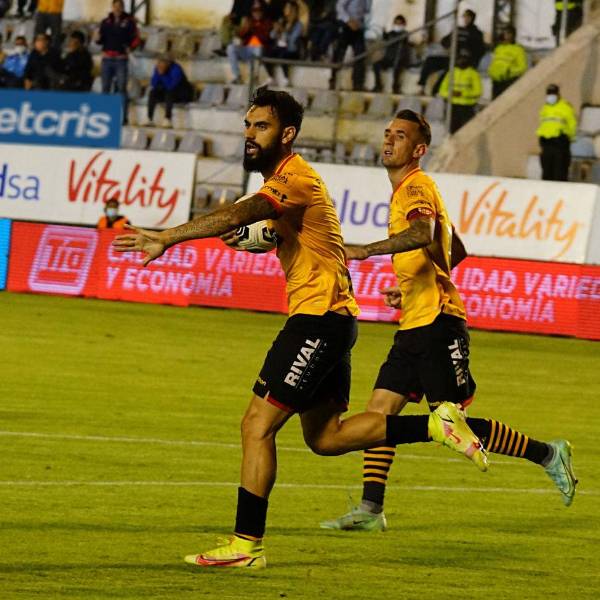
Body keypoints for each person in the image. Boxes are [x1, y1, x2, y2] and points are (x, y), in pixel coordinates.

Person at [112, 88, 492, 569]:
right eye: (248, 125)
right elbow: (263, 225)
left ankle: (246, 545)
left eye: (262, 127)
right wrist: (252, 237)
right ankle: (434, 426)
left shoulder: (295, 177)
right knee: (326, 438)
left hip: (318, 319)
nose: (250, 135)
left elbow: (243, 212)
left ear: (286, 133)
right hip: (334, 320)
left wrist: (170, 236)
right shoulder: (284, 184)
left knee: (256, 426)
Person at [320, 109, 578, 533]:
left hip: (439, 323)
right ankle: (370, 508)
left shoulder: (416, 186)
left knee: (449, 422)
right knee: (380, 415)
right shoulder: (410, 189)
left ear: (419, 149)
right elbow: (454, 247)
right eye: (387, 133)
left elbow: (423, 233)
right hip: (414, 322)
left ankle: (548, 454)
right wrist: (410, 286)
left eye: (400, 136)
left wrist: (367, 250)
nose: (389, 140)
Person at [418, 9, 485, 95]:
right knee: (430, 61)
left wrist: (469, 59)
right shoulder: (459, 30)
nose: (465, 19)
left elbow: (480, 50)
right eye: (464, 17)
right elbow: (444, 41)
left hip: (464, 62)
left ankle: (436, 92)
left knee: (448, 70)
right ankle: (421, 88)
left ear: (472, 18)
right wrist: (450, 45)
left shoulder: (476, 33)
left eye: (468, 17)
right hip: (452, 58)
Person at [97, 0, 140, 124]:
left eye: (119, 6)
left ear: (123, 7)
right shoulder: (106, 22)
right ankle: (103, 116)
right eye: (115, 6)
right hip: (107, 58)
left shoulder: (130, 22)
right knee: (105, 88)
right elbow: (100, 40)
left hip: (121, 59)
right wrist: (97, 39)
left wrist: (130, 48)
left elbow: (136, 39)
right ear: (112, 7)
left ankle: (123, 117)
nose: (117, 9)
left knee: (121, 88)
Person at [536, 83, 577, 181]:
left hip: (560, 142)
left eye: (553, 93)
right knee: (546, 172)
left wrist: (571, 137)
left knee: (560, 171)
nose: (551, 96)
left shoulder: (565, 106)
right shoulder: (545, 108)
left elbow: (572, 123)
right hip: (546, 142)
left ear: (558, 94)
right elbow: (542, 123)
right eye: (549, 94)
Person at [226, 1, 272, 84]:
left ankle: (254, 77)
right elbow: (240, 36)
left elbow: (266, 38)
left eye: (259, 10)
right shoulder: (249, 21)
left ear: (263, 11)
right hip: (247, 49)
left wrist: (253, 29)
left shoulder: (267, 22)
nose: (256, 13)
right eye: (254, 10)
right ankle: (237, 76)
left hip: (260, 50)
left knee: (258, 48)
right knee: (231, 48)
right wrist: (244, 28)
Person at [438, 48, 482, 133]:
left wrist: (462, 94)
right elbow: (442, 90)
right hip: (452, 106)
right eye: (460, 58)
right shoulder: (451, 73)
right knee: (452, 131)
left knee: (467, 131)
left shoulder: (473, 74)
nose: (462, 61)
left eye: (464, 58)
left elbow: (478, 92)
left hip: (467, 107)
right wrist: (451, 94)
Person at [145, 55, 194, 128]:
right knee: (153, 92)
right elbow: (153, 83)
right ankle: (150, 119)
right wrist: (159, 73)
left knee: (169, 93)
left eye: (163, 62)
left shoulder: (176, 69)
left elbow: (171, 86)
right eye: (160, 62)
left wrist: (163, 75)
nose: (160, 64)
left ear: (169, 63)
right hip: (168, 93)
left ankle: (168, 119)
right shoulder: (158, 68)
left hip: (182, 94)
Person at [331, 0, 370, 91]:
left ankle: (358, 84)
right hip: (346, 24)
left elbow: (366, 11)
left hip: (358, 26)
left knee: (360, 55)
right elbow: (339, 6)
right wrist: (348, 20)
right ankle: (333, 82)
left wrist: (361, 24)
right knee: (339, 54)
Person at [264, 0, 303, 87]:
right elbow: (272, 36)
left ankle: (286, 79)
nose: (285, 10)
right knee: (267, 54)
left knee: (283, 54)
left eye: (288, 8)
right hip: (279, 48)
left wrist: (284, 31)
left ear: (294, 10)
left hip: (291, 50)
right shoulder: (282, 21)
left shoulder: (298, 24)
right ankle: (271, 77)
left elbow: (293, 40)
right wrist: (275, 30)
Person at [371, 14, 410, 94]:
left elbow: (405, 40)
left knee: (397, 67)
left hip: (399, 59)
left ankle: (395, 88)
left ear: (404, 24)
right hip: (388, 59)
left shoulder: (405, 34)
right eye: (396, 23)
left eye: (399, 23)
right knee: (376, 64)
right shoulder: (390, 33)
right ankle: (378, 85)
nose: (397, 25)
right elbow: (385, 38)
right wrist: (383, 31)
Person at [488, 25, 527, 99]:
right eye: (504, 33)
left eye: (508, 33)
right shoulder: (498, 48)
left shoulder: (518, 49)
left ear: (513, 35)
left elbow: (522, 67)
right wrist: (491, 71)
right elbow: (493, 62)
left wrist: (510, 72)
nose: (505, 35)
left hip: (508, 82)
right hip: (496, 82)